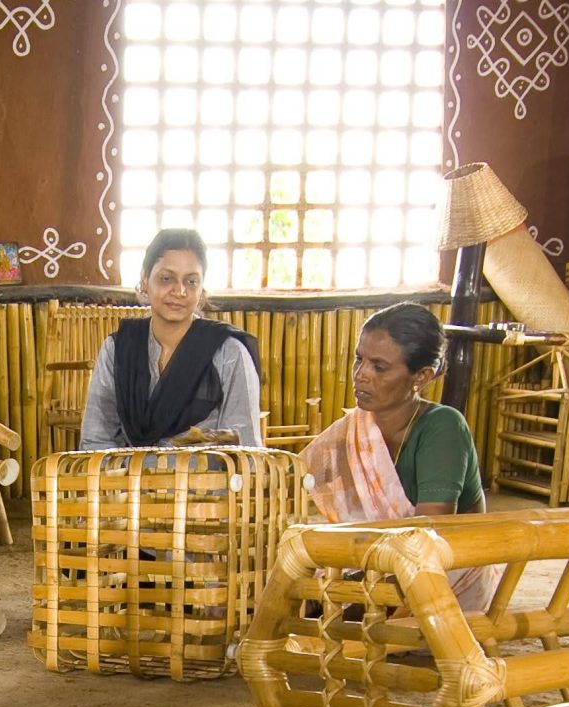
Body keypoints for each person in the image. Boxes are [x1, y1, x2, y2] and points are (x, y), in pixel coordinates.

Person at [302, 301, 495, 609]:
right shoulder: (356, 429)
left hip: (442, 569)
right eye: (358, 359)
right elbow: (300, 481)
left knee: (326, 604)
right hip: (384, 563)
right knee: (289, 576)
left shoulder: (443, 427)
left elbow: (428, 534)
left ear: (421, 377)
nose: (361, 375)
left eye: (379, 367)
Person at [77, 230, 264, 449]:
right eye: (167, 279)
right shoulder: (118, 350)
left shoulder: (229, 354)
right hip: (130, 480)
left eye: (191, 281)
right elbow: (95, 442)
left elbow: (245, 452)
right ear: (145, 279)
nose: (180, 291)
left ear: (201, 288)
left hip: (207, 482)